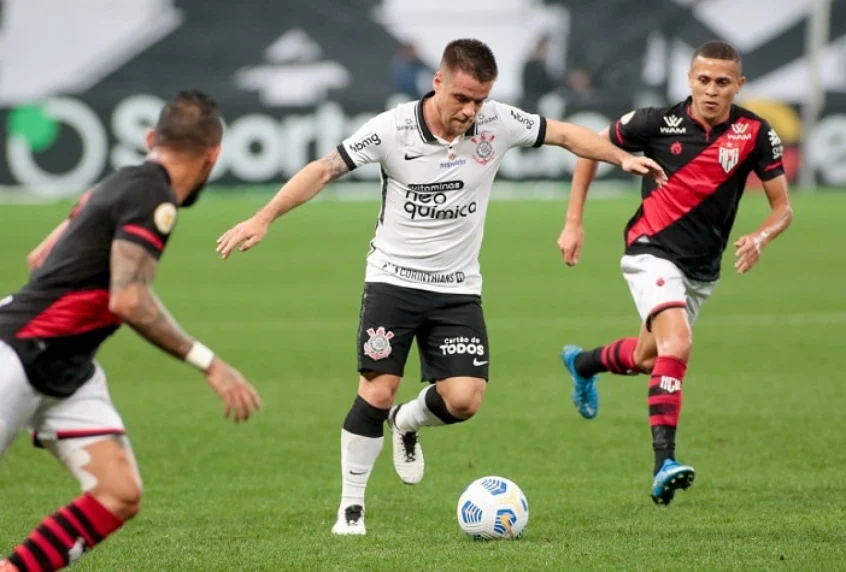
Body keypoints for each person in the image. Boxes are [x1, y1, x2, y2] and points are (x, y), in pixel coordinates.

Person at [216, 38, 665, 535]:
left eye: (479, 100)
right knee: (378, 387)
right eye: (461, 98)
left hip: (457, 287)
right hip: (392, 280)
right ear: (438, 82)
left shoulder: (498, 123)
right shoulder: (392, 129)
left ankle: (407, 424)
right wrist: (264, 216)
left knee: (465, 400)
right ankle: (351, 508)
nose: (470, 111)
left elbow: (564, 135)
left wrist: (620, 158)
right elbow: (324, 169)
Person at [0, 91, 262, 572]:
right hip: (15, 353)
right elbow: (128, 297)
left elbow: (42, 257)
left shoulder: (120, 182)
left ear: (150, 139)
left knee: (118, 494)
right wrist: (210, 363)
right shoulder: (152, 196)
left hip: (68, 369)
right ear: (214, 155)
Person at [557, 40, 793, 505]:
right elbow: (588, 150)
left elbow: (782, 207)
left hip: (702, 269)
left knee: (651, 357)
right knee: (679, 344)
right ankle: (663, 462)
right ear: (690, 79)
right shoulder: (654, 121)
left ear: (738, 85)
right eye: (703, 80)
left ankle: (582, 363)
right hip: (651, 250)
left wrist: (761, 236)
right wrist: (573, 222)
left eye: (722, 83)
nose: (711, 90)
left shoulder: (755, 132)